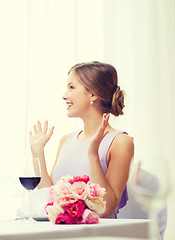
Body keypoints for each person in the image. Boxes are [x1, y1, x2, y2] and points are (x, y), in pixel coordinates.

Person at [29, 61, 134, 218]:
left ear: (92, 94)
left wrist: (93, 154)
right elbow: (49, 198)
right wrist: (38, 153)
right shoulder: (66, 140)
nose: (64, 95)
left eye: (71, 87)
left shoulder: (120, 141)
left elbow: (106, 209)